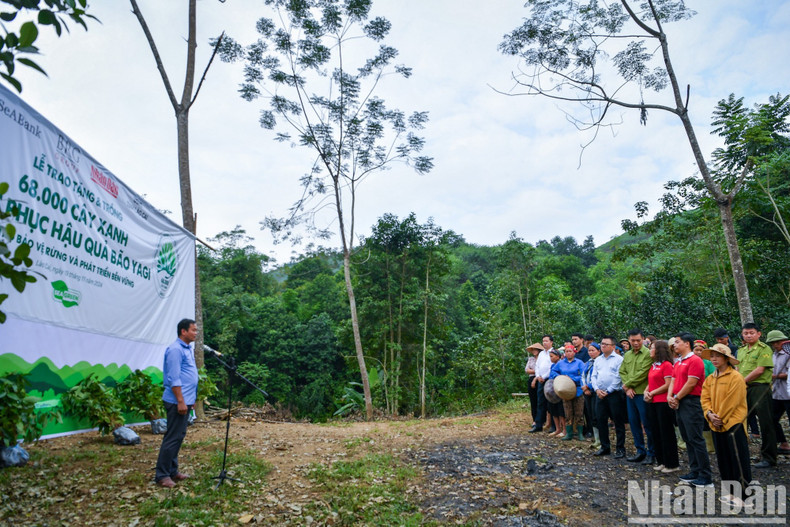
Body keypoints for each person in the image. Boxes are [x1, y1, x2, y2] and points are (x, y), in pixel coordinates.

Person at [701, 343, 751, 504]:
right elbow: (705, 398)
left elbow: (732, 402)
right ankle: (730, 491)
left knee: (738, 459)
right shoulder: (710, 378)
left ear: (726, 359)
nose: (714, 359)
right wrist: (709, 414)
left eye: (718, 356)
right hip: (715, 423)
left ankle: (743, 495)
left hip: (733, 423)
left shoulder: (736, 377)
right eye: (712, 356)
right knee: (723, 459)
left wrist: (718, 417)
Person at [155, 318, 200, 488]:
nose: (196, 333)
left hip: (185, 401)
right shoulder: (175, 350)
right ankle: (162, 475)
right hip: (176, 402)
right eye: (193, 330)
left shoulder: (187, 349)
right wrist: (181, 401)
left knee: (179, 436)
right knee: (172, 437)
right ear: (183, 331)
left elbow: (189, 376)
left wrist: (190, 400)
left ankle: (173, 471)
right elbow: (174, 378)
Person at [668, 332, 712, 487]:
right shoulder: (679, 361)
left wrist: (677, 397)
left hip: (691, 402)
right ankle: (695, 470)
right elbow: (673, 380)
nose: (675, 345)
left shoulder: (695, 360)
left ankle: (705, 475)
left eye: (678, 342)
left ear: (687, 343)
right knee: (687, 437)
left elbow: (691, 383)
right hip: (679, 401)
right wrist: (670, 396)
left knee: (696, 438)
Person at [738, 322, 777, 468]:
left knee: (765, 422)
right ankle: (742, 454)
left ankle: (769, 457)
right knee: (741, 420)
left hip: (760, 388)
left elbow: (760, 370)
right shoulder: (741, 350)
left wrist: (741, 381)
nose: (748, 335)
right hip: (743, 388)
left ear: (759, 334)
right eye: (746, 333)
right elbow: (737, 367)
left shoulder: (764, 349)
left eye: (751, 333)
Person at [644, 340, 679, 473]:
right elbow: (650, 381)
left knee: (666, 432)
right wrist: (647, 391)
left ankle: (672, 463)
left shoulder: (667, 365)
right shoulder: (653, 366)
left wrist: (652, 392)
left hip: (663, 402)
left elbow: (667, 384)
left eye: (652, 348)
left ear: (659, 350)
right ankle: (661, 461)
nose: (650, 350)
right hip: (652, 402)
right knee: (656, 431)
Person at [620, 328, 655, 464]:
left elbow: (643, 372)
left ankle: (652, 452)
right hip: (630, 394)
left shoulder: (647, 354)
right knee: (633, 423)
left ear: (643, 339)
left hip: (642, 393)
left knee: (647, 424)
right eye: (633, 340)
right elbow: (622, 371)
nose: (635, 343)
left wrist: (627, 385)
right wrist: (627, 387)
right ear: (629, 340)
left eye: (638, 340)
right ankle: (640, 450)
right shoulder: (627, 355)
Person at [591, 336, 627, 458]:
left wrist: (609, 390)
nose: (603, 346)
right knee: (601, 420)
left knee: (618, 421)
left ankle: (620, 448)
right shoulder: (598, 360)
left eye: (606, 344)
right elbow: (594, 376)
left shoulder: (619, 359)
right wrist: (596, 389)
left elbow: (619, 377)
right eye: (602, 343)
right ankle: (605, 447)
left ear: (613, 346)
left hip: (614, 394)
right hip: (600, 394)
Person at [550, 344, 586, 440]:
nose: (568, 353)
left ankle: (580, 434)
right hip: (565, 391)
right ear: (564, 353)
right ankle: (569, 434)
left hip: (577, 390)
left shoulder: (579, 363)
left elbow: (583, 375)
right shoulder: (561, 363)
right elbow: (553, 372)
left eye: (570, 351)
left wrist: (573, 379)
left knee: (579, 412)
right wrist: (560, 378)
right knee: (568, 412)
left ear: (574, 352)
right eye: (566, 351)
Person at [766, 330, 790, 454]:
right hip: (777, 393)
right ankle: (784, 444)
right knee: (772, 419)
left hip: (788, 393)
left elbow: (788, 374)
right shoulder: (773, 355)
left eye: (778, 342)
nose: (776, 345)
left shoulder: (788, 354)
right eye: (773, 343)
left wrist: (776, 376)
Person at [529, 335, 554, 433]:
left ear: (551, 342)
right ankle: (538, 424)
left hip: (549, 379)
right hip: (540, 380)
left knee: (551, 403)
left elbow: (552, 366)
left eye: (546, 341)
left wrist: (544, 376)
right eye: (543, 341)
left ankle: (552, 425)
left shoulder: (553, 352)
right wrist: (538, 376)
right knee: (540, 402)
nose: (544, 343)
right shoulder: (542, 354)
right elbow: (537, 366)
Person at [582, 342, 601, 448]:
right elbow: (583, 376)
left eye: (593, 350)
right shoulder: (588, 362)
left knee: (597, 415)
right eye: (589, 350)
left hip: (595, 392)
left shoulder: (600, 362)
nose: (591, 352)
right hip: (586, 392)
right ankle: (596, 439)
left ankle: (601, 440)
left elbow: (598, 377)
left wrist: (589, 387)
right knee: (591, 415)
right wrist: (584, 387)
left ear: (599, 351)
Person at [547, 348, 566, 436]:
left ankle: (564, 430)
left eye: (552, 356)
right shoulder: (552, 366)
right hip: (552, 389)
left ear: (558, 356)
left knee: (561, 411)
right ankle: (558, 429)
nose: (550, 358)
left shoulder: (562, 364)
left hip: (560, 388)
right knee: (553, 410)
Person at [525, 343, 543, 427]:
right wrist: (535, 371)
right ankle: (534, 419)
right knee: (533, 400)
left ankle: (542, 419)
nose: (534, 351)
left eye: (536, 350)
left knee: (541, 400)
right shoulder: (531, 359)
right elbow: (527, 370)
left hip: (540, 378)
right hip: (531, 379)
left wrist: (534, 371)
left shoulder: (542, 359)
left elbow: (542, 370)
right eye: (533, 350)